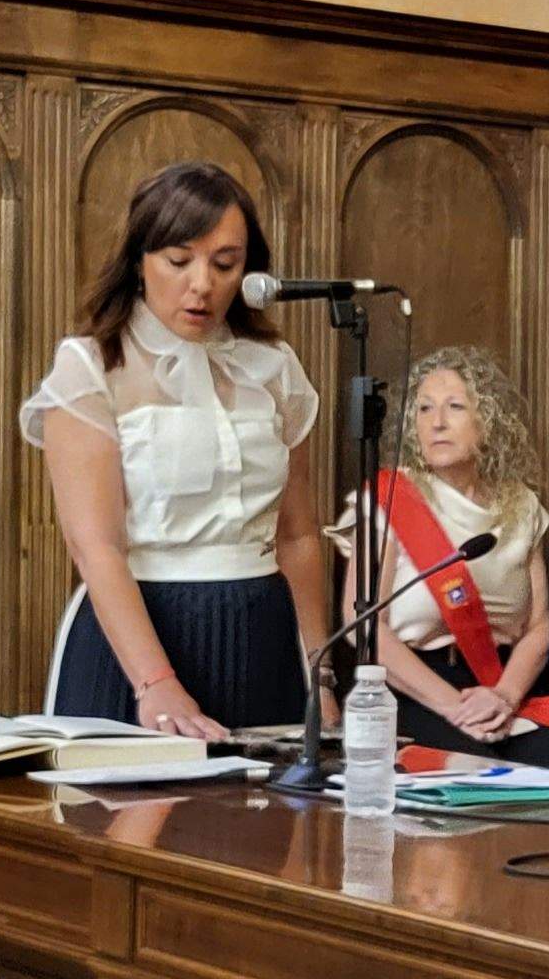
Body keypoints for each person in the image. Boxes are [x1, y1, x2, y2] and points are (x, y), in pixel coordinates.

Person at [24, 162, 327, 738]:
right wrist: (156, 682)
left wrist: (321, 675)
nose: (202, 285)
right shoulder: (90, 367)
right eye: (179, 260)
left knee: (261, 824)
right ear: (140, 260)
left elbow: (298, 536)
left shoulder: (273, 367)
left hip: (261, 633)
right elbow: (97, 549)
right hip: (135, 642)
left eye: (225, 264)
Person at [336, 347, 549, 766]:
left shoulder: (521, 506)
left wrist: (503, 696)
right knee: (476, 772)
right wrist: (453, 706)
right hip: (414, 691)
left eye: (455, 407)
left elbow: (538, 628)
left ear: (488, 421)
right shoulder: (391, 499)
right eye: (425, 409)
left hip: (499, 688)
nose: (437, 422)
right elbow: (364, 626)